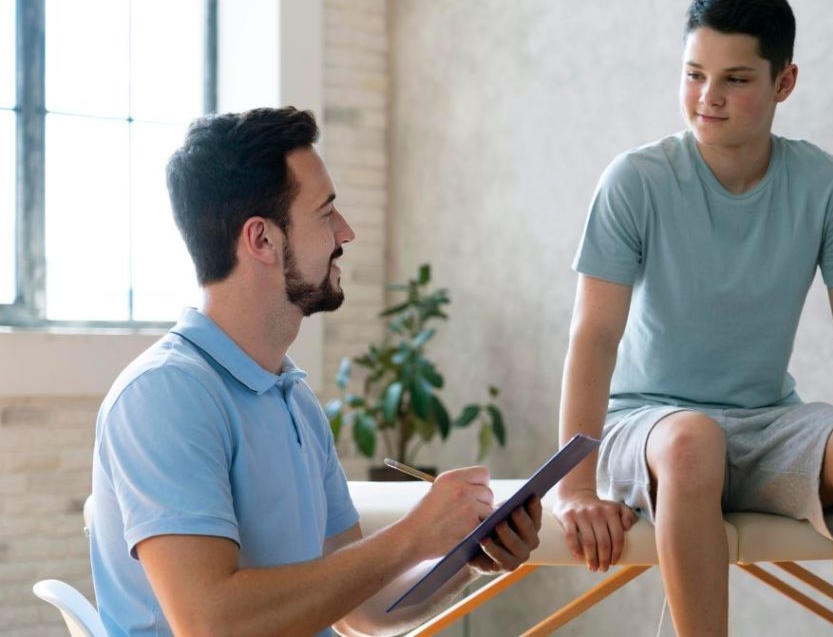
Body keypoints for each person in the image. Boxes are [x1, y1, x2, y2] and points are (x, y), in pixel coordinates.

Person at [552, 0, 833, 636]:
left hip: (762, 422)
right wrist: (576, 487)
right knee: (696, 442)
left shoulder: (826, 185)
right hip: (651, 426)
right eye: (694, 74)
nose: (707, 97)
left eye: (735, 78)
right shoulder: (636, 180)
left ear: (785, 82)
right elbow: (594, 336)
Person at [89, 107, 541, 637]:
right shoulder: (165, 395)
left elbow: (363, 611)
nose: (345, 231)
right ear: (261, 239)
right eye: (326, 212)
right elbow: (212, 623)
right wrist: (414, 535)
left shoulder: (293, 399)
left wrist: (468, 555)